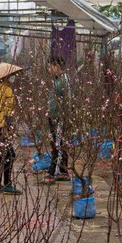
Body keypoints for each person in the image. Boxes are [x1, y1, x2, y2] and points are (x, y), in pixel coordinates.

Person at [0, 62, 22, 194]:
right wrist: (2, 127)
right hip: (1, 126)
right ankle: (6, 184)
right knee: (9, 154)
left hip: (6, 124)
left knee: (3, 154)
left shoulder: (7, 87)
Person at [43, 55, 71, 183]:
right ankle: (61, 171)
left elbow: (67, 101)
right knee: (58, 144)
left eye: (50, 66)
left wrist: (62, 117)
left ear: (57, 66)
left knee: (58, 145)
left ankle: (54, 171)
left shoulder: (63, 81)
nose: (49, 69)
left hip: (59, 118)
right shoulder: (59, 80)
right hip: (55, 117)